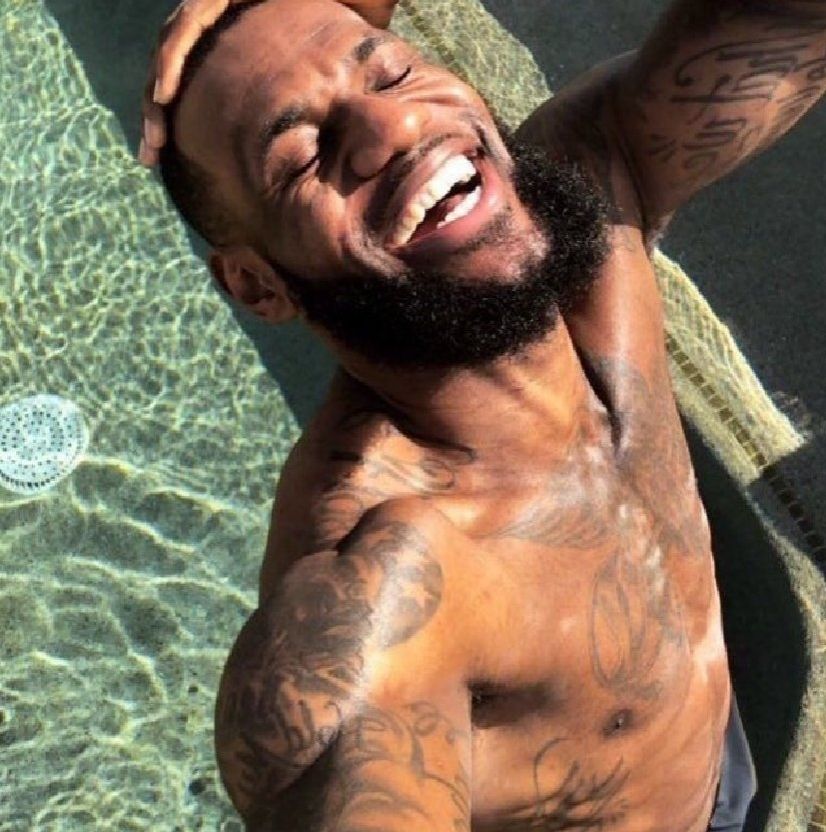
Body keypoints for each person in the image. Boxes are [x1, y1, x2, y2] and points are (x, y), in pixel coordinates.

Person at [138, 0, 826, 828]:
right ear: (257, 284)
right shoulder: (386, 584)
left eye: (391, 71)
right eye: (305, 157)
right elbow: (342, 750)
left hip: (717, 746)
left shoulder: (594, 192)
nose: (396, 128)